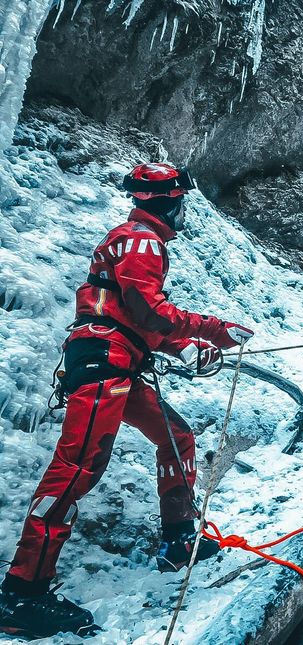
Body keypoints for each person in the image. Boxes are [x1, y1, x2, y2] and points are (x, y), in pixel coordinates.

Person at [0, 163, 254, 639]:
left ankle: (179, 540)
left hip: (117, 358)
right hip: (105, 363)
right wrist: (210, 330)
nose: (183, 213)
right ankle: (22, 591)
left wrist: (186, 348)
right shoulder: (142, 240)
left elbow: (132, 317)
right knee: (76, 469)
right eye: (180, 203)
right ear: (170, 203)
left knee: (176, 437)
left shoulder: (133, 237)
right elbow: (144, 308)